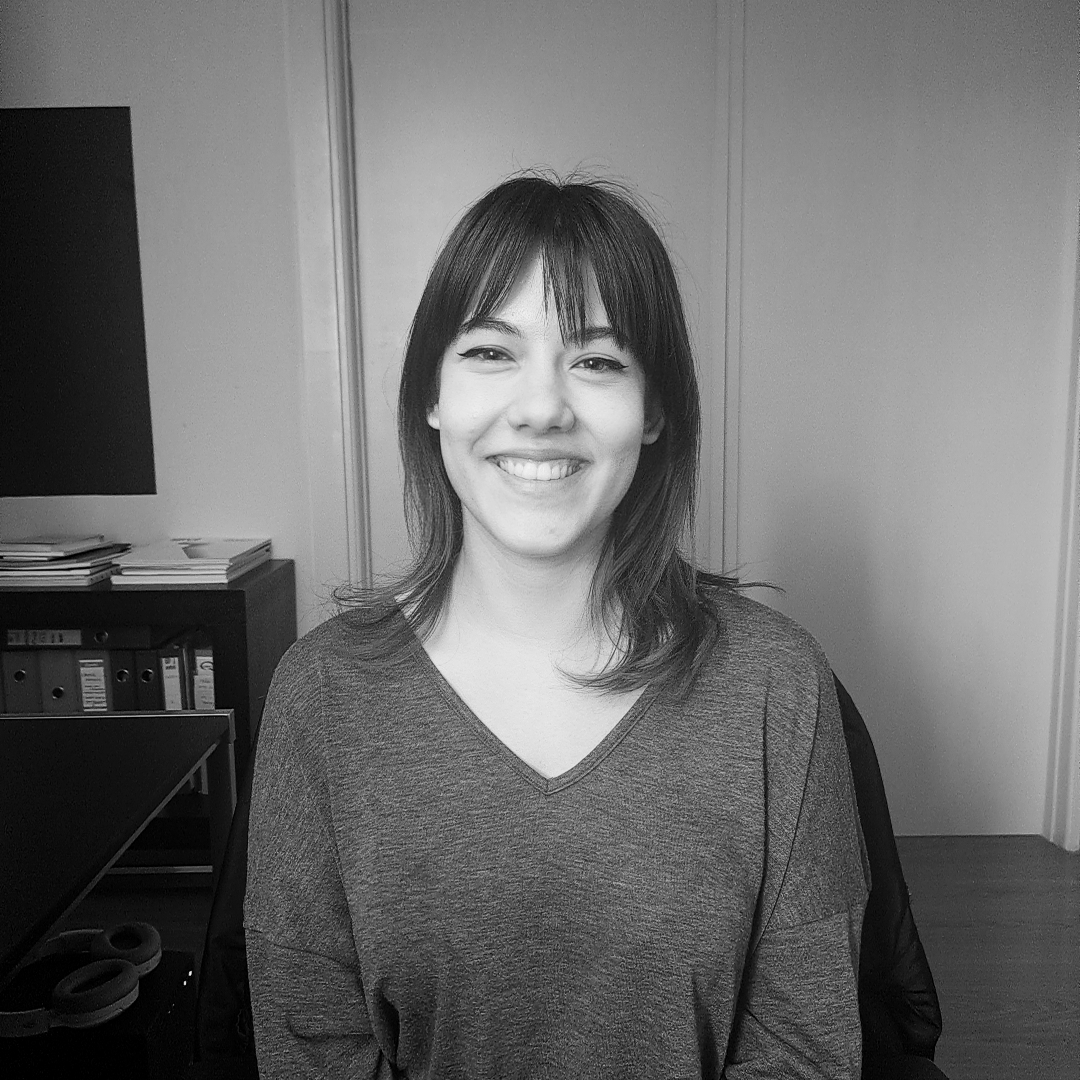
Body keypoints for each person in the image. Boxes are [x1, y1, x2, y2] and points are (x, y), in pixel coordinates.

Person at [244, 173, 871, 1078]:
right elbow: (313, 1048)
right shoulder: (321, 694)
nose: (542, 408)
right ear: (431, 396)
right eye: (490, 351)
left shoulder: (776, 684)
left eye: (598, 361)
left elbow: (805, 1048)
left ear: (655, 410)